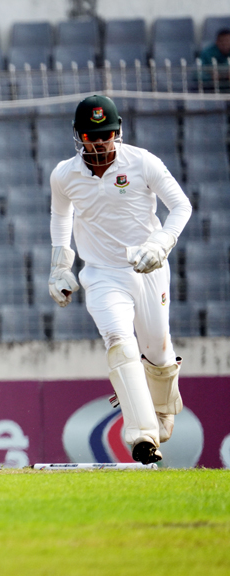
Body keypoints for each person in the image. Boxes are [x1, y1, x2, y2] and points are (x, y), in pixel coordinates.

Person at [48, 95, 192, 465]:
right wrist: (61, 265)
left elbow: (181, 206)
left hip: (148, 268)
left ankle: (161, 415)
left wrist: (160, 243)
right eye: (91, 135)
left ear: (118, 132)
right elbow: (61, 218)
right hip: (101, 274)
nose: (100, 142)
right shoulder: (65, 175)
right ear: (78, 136)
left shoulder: (142, 162)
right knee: (118, 341)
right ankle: (141, 436)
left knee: (158, 354)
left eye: (107, 134)